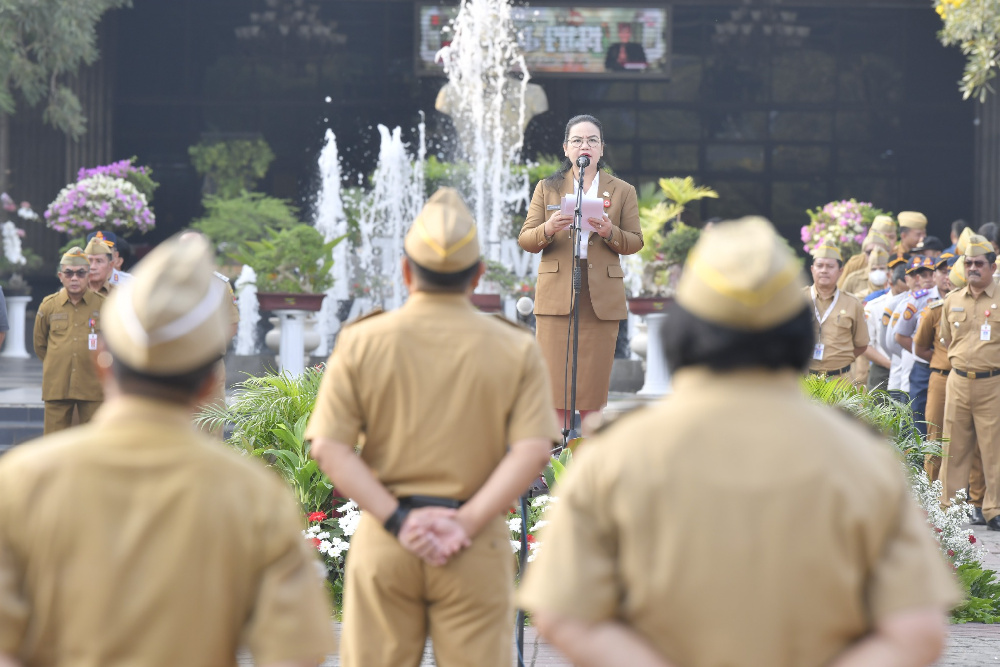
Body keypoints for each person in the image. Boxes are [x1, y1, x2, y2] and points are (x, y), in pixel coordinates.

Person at [518, 216, 959, 667]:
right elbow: (917, 633)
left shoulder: (618, 454)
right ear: (797, 332)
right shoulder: (861, 456)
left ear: (682, 331)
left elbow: (562, 615)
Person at [0, 234, 336, 667]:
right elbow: (295, 654)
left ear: (103, 364)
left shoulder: (23, 481)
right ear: (209, 382)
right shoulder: (254, 495)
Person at [305, 188, 559, 667]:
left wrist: (399, 522)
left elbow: (328, 447)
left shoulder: (362, 340)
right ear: (478, 276)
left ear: (406, 271)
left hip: (387, 541)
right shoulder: (515, 347)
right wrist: (466, 522)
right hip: (474, 544)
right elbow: (533, 450)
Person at [518, 114, 643, 430]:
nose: (584, 146)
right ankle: (556, 454)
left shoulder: (622, 190)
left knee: (592, 384)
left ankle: (588, 451)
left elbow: (635, 241)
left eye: (591, 140)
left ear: (601, 149)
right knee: (554, 383)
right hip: (557, 293)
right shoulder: (547, 188)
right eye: (577, 140)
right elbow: (526, 239)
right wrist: (548, 228)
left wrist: (610, 232)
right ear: (566, 148)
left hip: (599, 295)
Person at [914, 258, 987, 524]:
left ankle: (976, 502)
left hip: (976, 381)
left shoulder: (984, 309)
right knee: (936, 437)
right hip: (943, 379)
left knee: (977, 442)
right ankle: (932, 499)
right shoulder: (936, 309)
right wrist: (943, 362)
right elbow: (919, 346)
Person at [939, 233, 1000, 530]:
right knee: (952, 447)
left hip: (993, 384)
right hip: (959, 381)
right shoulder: (952, 300)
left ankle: (994, 509)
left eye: (979, 263)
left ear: (992, 266)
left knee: (994, 450)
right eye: (968, 263)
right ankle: (948, 507)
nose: (973, 268)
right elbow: (946, 338)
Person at [32, 247, 105, 434]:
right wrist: (57, 361)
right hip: (58, 383)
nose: (74, 278)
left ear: (88, 276)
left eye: (80, 273)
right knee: (53, 439)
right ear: (60, 276)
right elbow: (40, 344)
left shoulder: (103, 305)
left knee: (93, 438)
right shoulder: (49, 305)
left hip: (92, 384)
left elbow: (111, 343)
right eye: (69, 273)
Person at [805, 240, 869, 378]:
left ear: (841, 271)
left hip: (840, 379)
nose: (824, 270)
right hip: (805, 379)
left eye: (830, 266)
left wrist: (839, 362)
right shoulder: (799, 300)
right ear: (812, 269)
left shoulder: (852, 303)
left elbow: (861, 345)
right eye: (819, 265)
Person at [887, 256, 938, 423]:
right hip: (912, 369)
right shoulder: (906, 303)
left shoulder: (943, 299)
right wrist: (919, 352)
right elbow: (891, 342)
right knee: (914, 424)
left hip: (938, 371)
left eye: (930, 274)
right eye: (921, 275)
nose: (926, 280)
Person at [865, 259, 907, 391]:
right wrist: (890, 364)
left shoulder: (917, 303)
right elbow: (865, 346)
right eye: (901, 293)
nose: (904, 297)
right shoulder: (874, 306)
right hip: (882, 368)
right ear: (890, 283)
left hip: (910, 368)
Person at [837, 225, 891, 290]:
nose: (875, 256)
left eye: (880, 252)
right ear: (863, 254)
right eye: (869, 252)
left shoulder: (895, 278)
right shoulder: (853, 280)